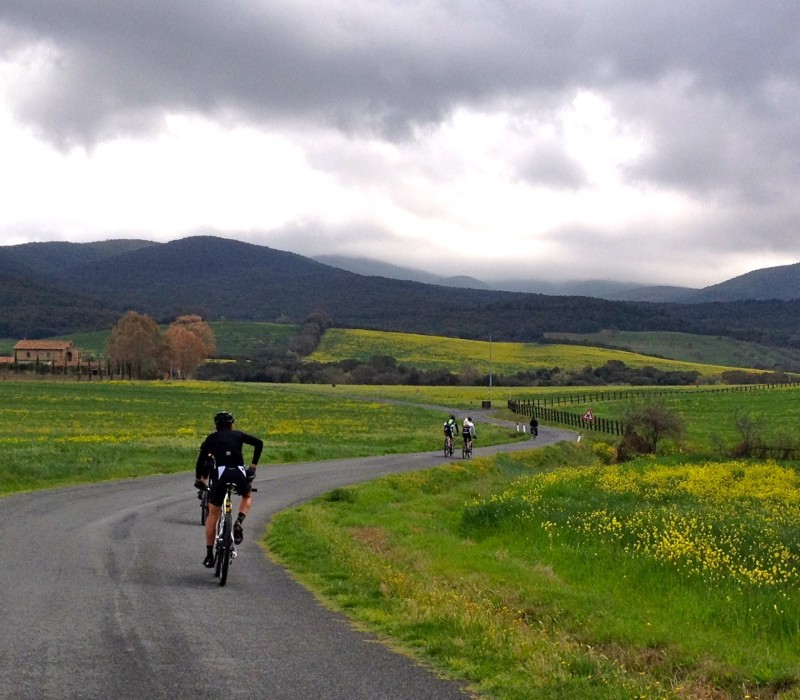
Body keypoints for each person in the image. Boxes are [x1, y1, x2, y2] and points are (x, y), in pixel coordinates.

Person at [195, 411, 263, 568]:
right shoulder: (238, 435)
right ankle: (239, 521)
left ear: (216, 426)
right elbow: (259, 443)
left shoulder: (211, 439)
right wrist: (253, 466)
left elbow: (200, 462)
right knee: (247, 495)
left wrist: (200, 478)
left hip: (221, 475)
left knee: (213, 513)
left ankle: (209, 555)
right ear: (232, 424)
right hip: (239, 473)